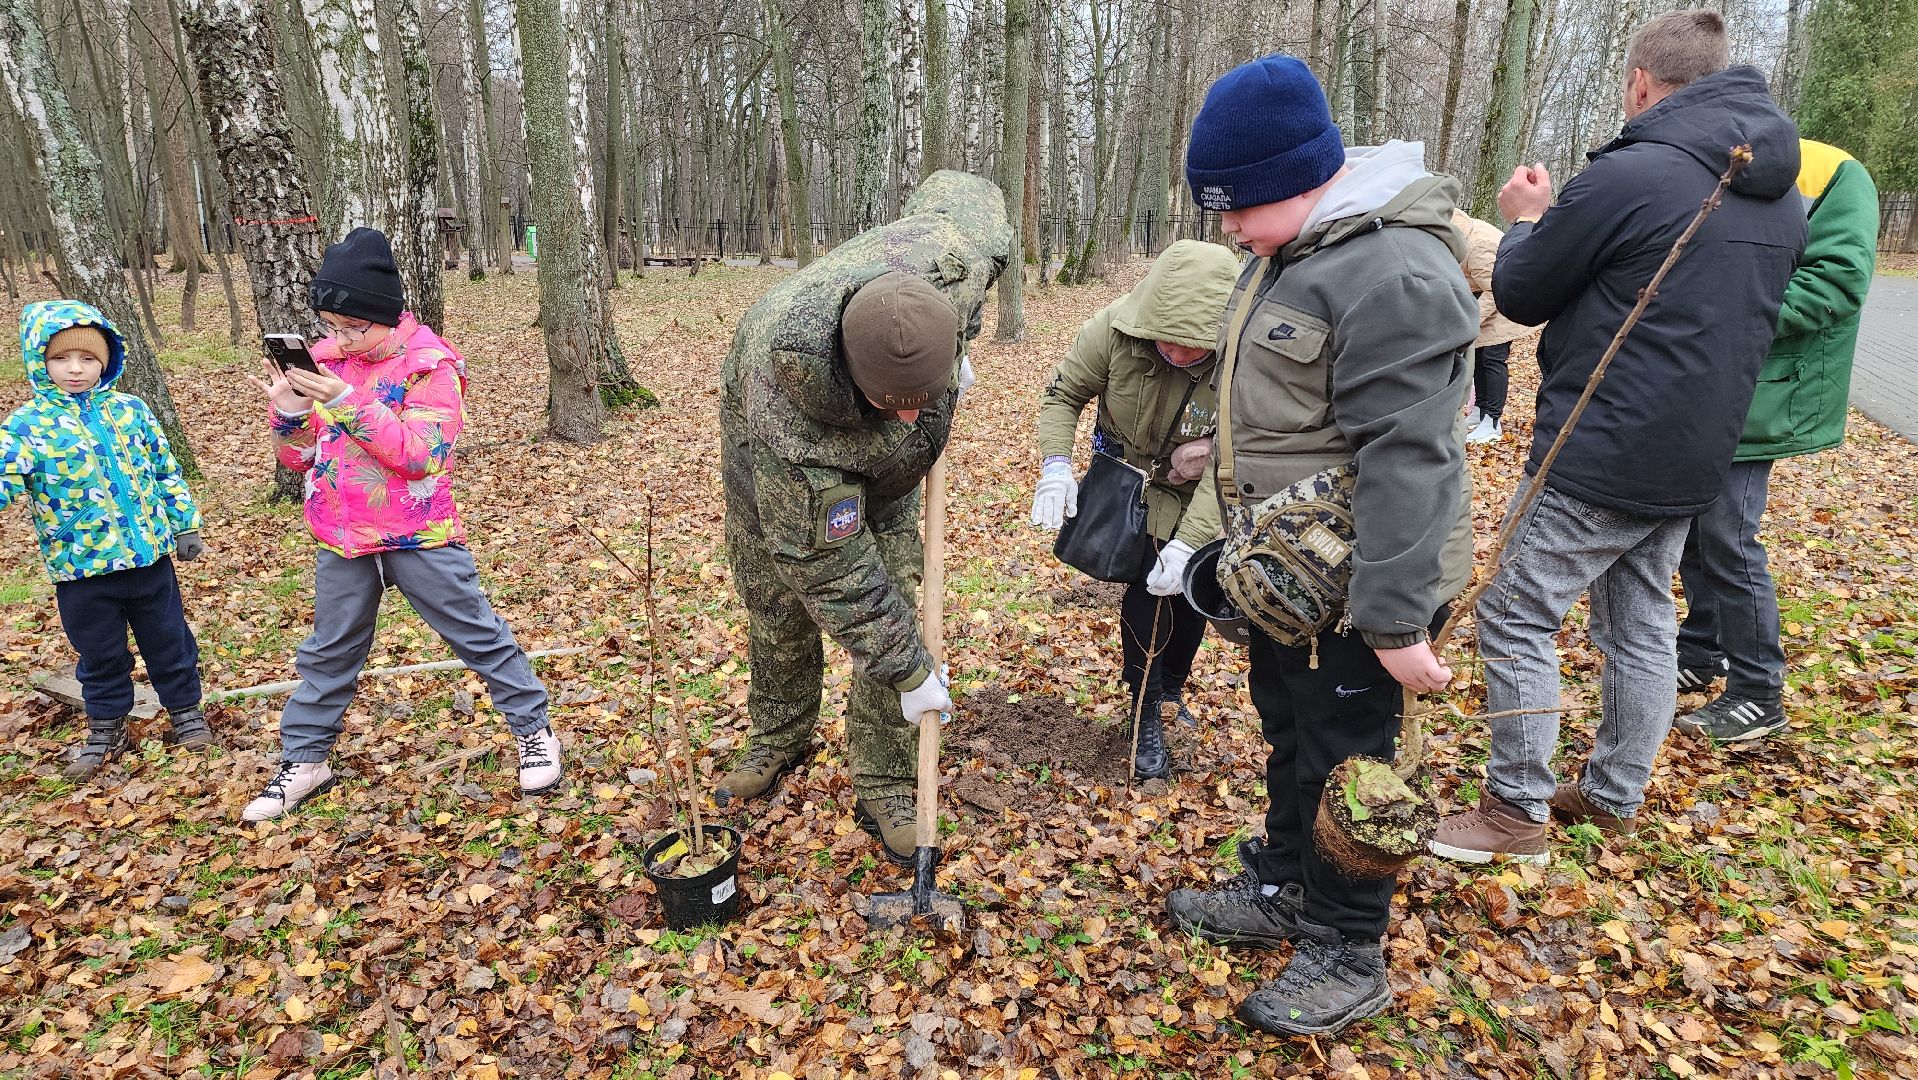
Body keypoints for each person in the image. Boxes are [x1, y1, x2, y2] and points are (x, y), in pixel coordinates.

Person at [1428, 10, 1806, 863]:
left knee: (1515, 611)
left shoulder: (1633, 173)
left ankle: (1514, 811)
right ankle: (1611, 791)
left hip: (1597, 450)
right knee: (1640, 624)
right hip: (1698, 454)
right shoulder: (1779, 193)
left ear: (1641, 83)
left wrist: (1526, 217)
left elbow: (1521, 292)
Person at [1162, 56, 1480, 1035]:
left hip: (1365, 587)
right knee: (1292, 735)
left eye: (1237, 206)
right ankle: (1293, 885)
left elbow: (1411, 457)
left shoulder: (1391, 268)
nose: (1226, 228)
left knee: (1350, 766)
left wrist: (1389, 620)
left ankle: (1347, 952)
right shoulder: (1289, 254)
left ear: (1299, 176)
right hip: (1294, 580)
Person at [713, 171, 1011, 864]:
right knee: (779, 592)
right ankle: (779, 736)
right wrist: (912, 670)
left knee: (896, 585)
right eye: (897, 403)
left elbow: (974, 202)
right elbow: (831, 567)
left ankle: (883, 779)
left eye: (924, 400)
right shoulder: (787, 402)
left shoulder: (953, 264)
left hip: (886, 443)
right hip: (773, 445)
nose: (914, 415)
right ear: (858, 380)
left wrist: (957, 341)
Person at [241, 227, 561, 821]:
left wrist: (342, 400)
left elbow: (421, 454)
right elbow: (301, 458)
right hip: (342, 534)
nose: (338, 336)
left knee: (475, 633)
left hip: (419, 532)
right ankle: (306, 758)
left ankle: (533, 729)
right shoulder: (327, 361)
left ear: (382, 313)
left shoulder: (430, 366)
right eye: (330, 323)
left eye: (351, 325)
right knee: (330, 649)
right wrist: (288, 416)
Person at [1673, 141, 1878, 743]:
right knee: (1691, 524)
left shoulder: (1834, 171)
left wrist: (1727, 312)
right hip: (1704, 380)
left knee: (1729, 537)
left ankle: (1759, 691)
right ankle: (1701, 648)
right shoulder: (1705, 159)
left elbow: (1837, 282)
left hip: (1762, 385)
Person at [1031, 238, 1240, 778]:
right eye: (1166, 341)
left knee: (1193, 587)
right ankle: (1143, 703)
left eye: (1191, 346)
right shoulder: (1112, 329)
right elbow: (1063, 394)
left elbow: (1249, 452)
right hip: (1127, 476)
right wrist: (1056, 463)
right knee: (1148, 587)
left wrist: (1191, 538)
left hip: (1203, 486)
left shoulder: (1245, 356)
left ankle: (1171, 689)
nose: (1175, 354)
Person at [1, 301, 211, 779]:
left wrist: (185, 524)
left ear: (107, 360)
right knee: (99, 651)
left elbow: (163, 470)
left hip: (148, 560)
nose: (75, 369)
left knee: (169, 641)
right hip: (81, 569)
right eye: (60, 359)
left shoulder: (130, 410)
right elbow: (5, 478)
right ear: (39, 361)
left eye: (88, 359)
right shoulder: (26, 426)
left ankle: (186, 712)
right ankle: (106, 725)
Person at [1452, 210, 1529, 444]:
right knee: (1478, 358)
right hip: (1484, 302)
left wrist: (1471, 320)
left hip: (1503, 305)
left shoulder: (1478, 245)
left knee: (1493, 360)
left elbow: (1494, 289)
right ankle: (1479, 412)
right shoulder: (1460, 236)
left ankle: (1492, 421)